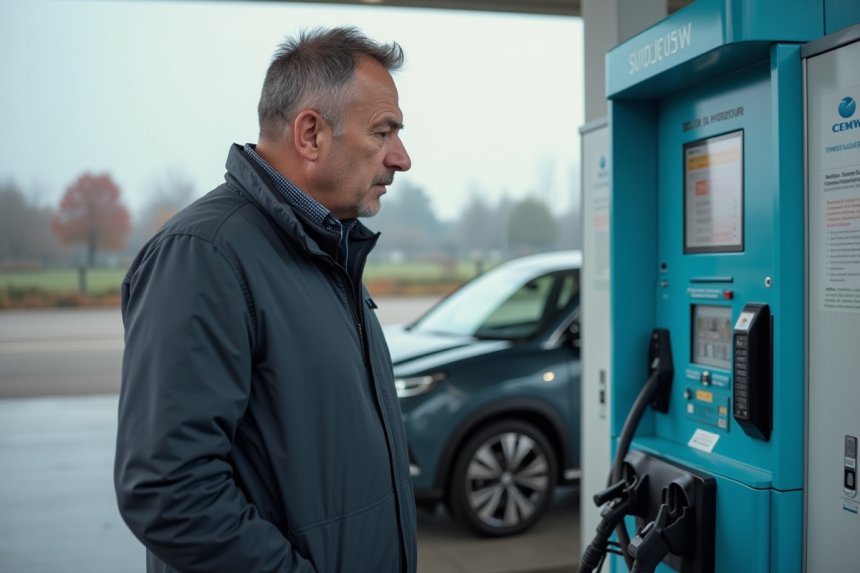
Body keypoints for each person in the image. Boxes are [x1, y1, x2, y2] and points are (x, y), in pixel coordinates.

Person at [114, 27, 415, 573]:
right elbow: (170, 493)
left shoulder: (329, 248)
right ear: (310, 134)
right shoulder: (203, 256)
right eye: (383, 132)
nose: (402, 158)